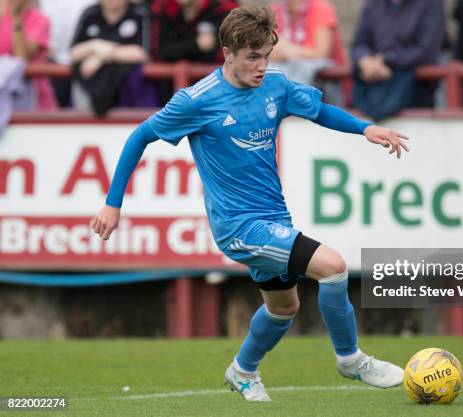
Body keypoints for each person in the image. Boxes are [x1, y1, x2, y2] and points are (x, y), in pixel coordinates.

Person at [90, 5, 408, 401]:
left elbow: (319, 111)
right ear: (228, 51)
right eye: (252, 56)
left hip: (274, 216)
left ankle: (242, 370)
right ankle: (351, 360)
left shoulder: (275, 85)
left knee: (284, 308)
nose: (261, 65)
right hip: (238, 227)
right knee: (333, 266)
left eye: (266, 55)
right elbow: (140, 137)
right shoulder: (196, 101)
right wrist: (112, 203)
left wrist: (366, 128)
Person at [350, 0, 445, 120]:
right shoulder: (373, 3)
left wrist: (384, 60)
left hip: (414, 92)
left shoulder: (431, 3)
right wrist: (365, 60)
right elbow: (359, 44)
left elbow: (427, 50)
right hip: (371, 88)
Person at [70, 0, 155, 115]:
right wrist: (95, 45)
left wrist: (102, 56)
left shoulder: (140, 13)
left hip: (130, 95)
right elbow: (73, 53)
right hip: (90, 92)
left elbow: (144, 53)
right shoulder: (89, 13)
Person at [150, 0, 238, 102]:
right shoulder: (161, 7)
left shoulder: (225, 8)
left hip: (219, 91)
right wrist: (197, 45)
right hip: (169, 92)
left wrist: (177, 50)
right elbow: (159, 53)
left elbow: (229, 56)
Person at [269, 0, 344, 87]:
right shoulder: (275, 10)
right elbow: (268, 49)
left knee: (300, 69)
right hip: (287, 69)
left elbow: (320, 52)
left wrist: (288, 50)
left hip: (323, 78)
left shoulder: (320, 8)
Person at [0, 0, 57, 110]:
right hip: (4, 101)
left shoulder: (40, 19)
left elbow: (21, 55)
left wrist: (16, 19)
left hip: (35, 104)